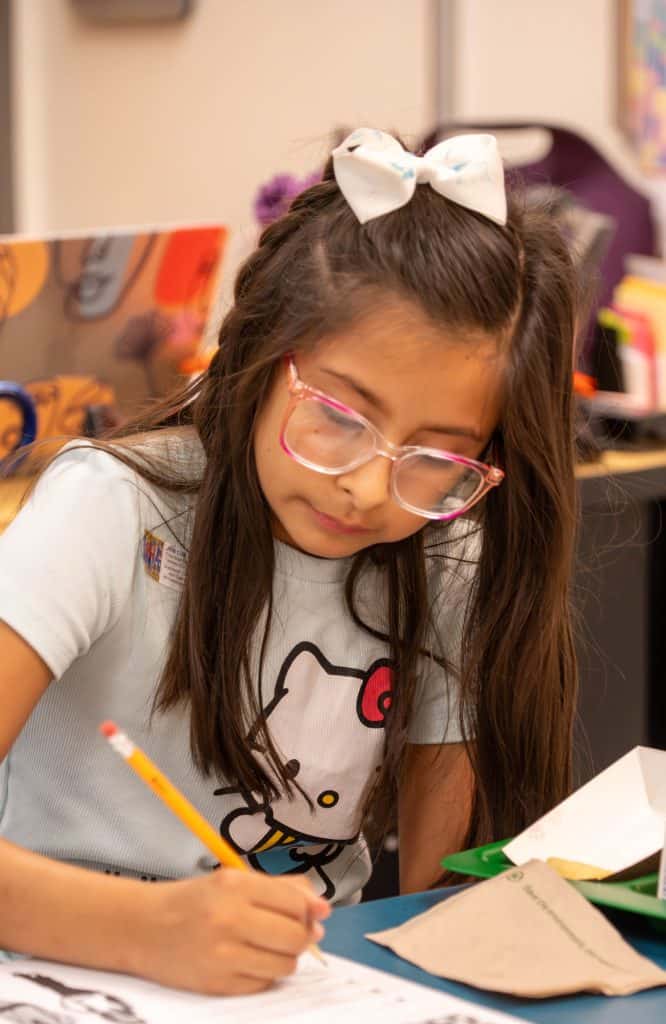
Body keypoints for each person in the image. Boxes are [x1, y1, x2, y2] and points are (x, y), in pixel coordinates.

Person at [0, 129, 578, 995]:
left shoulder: (443, 545)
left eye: (436, 456)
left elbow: (436, 903)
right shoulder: (111, 509)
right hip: (57, 977)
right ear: (264, 357)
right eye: (340, 418)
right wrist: (150, 930)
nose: (370, 489)